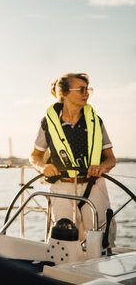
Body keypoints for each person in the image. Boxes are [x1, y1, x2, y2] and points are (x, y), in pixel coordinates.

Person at [29, 73, 116, 246]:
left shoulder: (95, 122)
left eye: (88, 89)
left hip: (94, 186)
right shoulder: (48, 123)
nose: (87, 94)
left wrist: (102, 168)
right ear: (65, 94)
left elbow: (111, 159)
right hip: (62, 187)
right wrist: (42, 167)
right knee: (62, 241)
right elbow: (34, 156)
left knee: (101, 240)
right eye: (81, 90)